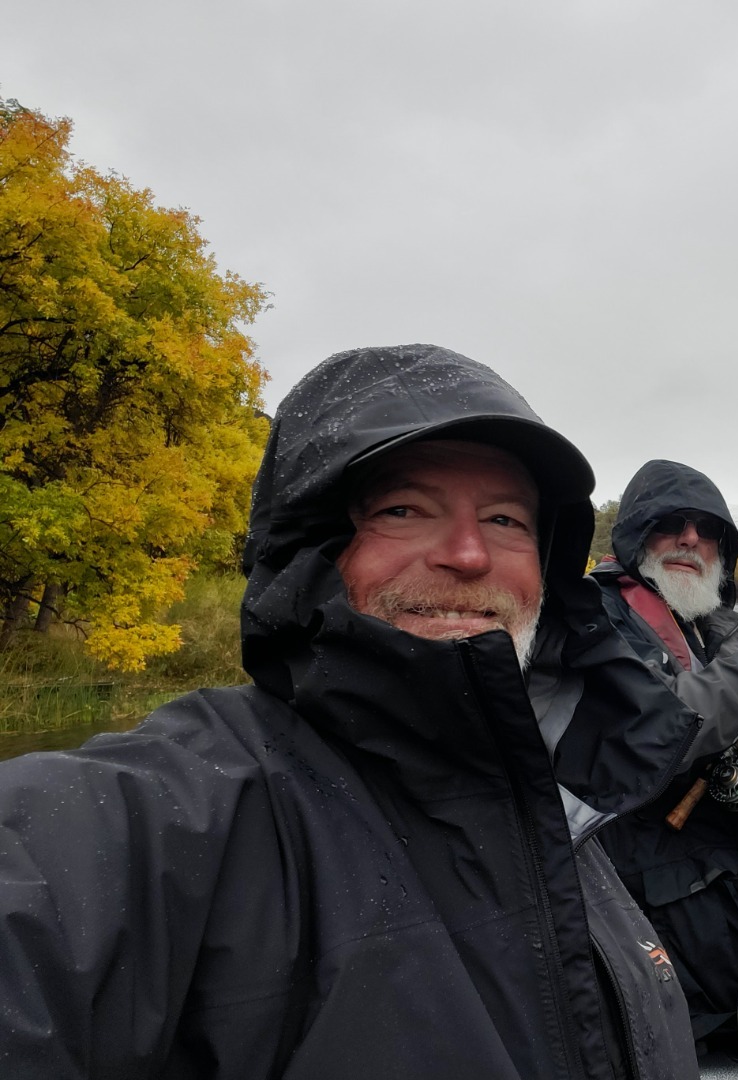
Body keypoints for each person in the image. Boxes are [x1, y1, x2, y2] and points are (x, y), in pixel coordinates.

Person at [0, 345, 701, 1079]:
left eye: (504, 518)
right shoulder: (182, 805)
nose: (468, 554)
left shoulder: (562, 792)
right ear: (312, 550)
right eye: (403, 510)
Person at [561, 458, 738, 1052]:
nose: (691, 538)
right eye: (671, 523)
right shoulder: (585, 621)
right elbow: (659, 724)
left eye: (708, 529)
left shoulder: (721, 640)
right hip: (650, 968)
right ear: (634, 537)